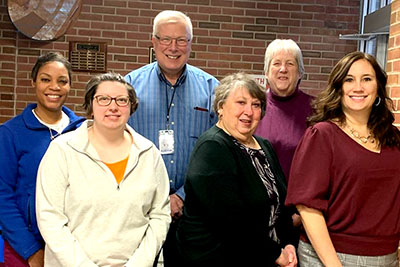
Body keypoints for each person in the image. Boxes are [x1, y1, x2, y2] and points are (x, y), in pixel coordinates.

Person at [35, 72, 171, 267]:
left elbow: (159, 215)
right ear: (91, 106)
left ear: (131, 107)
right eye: (103, 99)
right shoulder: (62, 150)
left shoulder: (149, 153)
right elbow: (50, 218)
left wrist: (139, 263)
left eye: (122, 100)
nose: (113, 107)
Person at [286, 51, 400, 267]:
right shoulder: (322, 136)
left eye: (366, 79)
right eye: (349, 80)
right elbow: (308, 208)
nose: (358, 87)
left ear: (378, 88)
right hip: (329, 257)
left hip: (387, 258)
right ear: (339, 88)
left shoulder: (394, 140)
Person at [124, 10, 219, 265]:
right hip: (140, 210)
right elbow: (119, 146)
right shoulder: (128, 88)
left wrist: (182, 196)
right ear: (153, 42)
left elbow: (218, 156)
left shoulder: (213, 89)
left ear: (190, 43)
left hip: (195, 213)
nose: (173, 48)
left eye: (181, 40)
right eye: (166, 39)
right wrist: (158, 197)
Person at [176, 72, 298, 267]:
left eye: (256, 105)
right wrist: (276, 253)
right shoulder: (213, 147)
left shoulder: (264, 146)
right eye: (240, 103)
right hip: (217, 259)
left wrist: (289, 243)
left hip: (264, 255)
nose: (248, 112)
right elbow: (231, 221)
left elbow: (280, 203)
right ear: (221, 107)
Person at [0, 52, 85, 267]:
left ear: (70, 86)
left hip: (74, 243)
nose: (54, 87)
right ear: (34, 83)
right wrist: (30, 250)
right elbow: (3, 197)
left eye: (62, 81)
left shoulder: (83, 131)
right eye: (45, 79)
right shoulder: (10, 133)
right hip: (24, 246)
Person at [255, 39, 313, 181]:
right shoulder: (254, 107)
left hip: (299, 198)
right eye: (276, 63)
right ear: (267, 72)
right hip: (258, 198)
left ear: (300, 72)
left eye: (290, 63)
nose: (283, 69)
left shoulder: (316, 110)